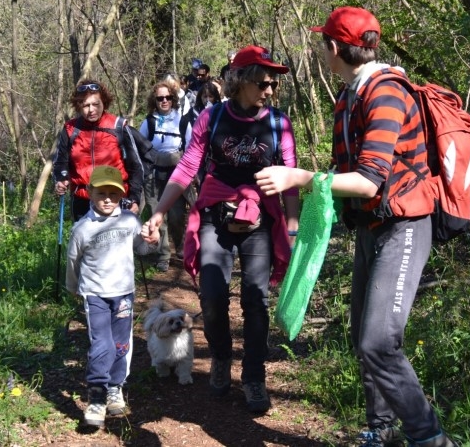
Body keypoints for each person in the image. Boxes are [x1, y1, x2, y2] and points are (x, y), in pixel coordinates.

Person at [254, 7, 457, 447]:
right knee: (363, 335)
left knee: (379, 343)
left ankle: (430, 438)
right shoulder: (350, 95)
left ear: (334, 47)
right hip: (370, 227)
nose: (321, 49)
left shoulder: (385, 93)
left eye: (322, 42)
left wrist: (301, 178)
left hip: (404, 225)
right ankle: (380, 432)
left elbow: (368, 179)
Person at [145, 45, 300, 414]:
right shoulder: (211, 118)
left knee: (255, 300)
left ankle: (254, 376)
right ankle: (219, 358)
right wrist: (159, 213)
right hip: (216, 215)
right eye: (263, 82)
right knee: (212, 296)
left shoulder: (278, 123)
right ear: (241, 81)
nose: (270, 90)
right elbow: (186, 169)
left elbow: (291, 178)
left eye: (273, 83)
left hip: (260, 220)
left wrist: (291, 229)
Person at [65, 165, 159, 428]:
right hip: (95, 294)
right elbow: (73, 261)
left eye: (113, 194)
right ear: (89, 193)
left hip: (124, 294)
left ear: (122, 194)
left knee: (121, 344)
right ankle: (96, 396)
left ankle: (115, 387)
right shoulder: (82, 228)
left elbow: (141, 248)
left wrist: (151, 241)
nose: (107, 199)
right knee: (101, 344)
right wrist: (72, 287)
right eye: (101, 193)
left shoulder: (129, 221)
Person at [53, 80, 144, 221]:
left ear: (104, 103)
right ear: (78, 106)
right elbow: (61, 162)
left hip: (114, 199)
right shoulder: (70, 129)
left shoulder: (118, 126)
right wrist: (60, 179)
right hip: (82, 200)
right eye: (86, 105)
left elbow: (135, 166)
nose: (91, 110)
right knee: (85, 242)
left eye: (96, 104)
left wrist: (134, 198)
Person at [138, 82, 194, 272]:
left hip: (176, 172)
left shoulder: (182, 120)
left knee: (177, 215)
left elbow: (192, 146)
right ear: (154, 100)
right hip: (154, 173)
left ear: (173, 99)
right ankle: (163, 255)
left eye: (168, 97)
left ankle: (179, 246)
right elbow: (140, 146)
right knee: (156, 214)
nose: (164, 101)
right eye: (160, 98)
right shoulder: (149, 122)